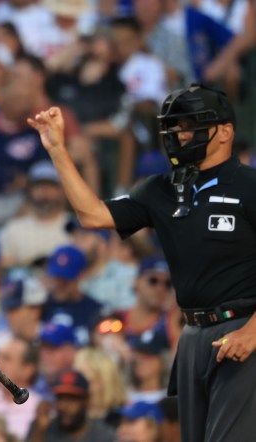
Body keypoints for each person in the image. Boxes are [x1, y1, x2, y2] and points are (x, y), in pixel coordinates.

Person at [28, 83, 256, 440]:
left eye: (191, 125)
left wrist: (253, 330)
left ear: (225, 132)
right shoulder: (162, 189)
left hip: (243, 327)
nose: (181, 135)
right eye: (176, 126)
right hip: (192, 334)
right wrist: (58, 150)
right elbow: (93, 215)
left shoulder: (250, 186)